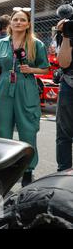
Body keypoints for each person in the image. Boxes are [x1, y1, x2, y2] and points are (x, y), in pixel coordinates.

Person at [0, 8, 49, 187]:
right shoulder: (0, 44)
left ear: (28, 24)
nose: (19, 23)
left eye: (23, 20)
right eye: (16, 20)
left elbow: (45, 68)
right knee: (1, 128)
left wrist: (31, 70)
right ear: (11, 23)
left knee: (28, 129)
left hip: (26, 87)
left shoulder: (36, 44)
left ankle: (28, 170)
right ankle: (2, 166)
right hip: (4, 86)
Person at [55, 18, 73, 172]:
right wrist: (66, 35)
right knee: (64, 132)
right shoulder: (67, 31)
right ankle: (64, 172)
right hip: (69, 83)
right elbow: (64, 63)